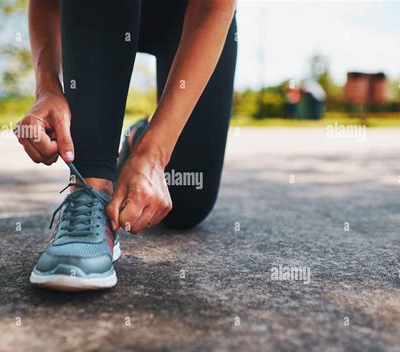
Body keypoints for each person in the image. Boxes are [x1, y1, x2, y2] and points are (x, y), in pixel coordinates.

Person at [16, 0, 237, 291]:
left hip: (191, 16)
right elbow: (46, 4)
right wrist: (47, 88)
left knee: (186, 203)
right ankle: (90, 189)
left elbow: (212, 7)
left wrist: (154, 154)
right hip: (97, 13)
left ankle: (138, 139)